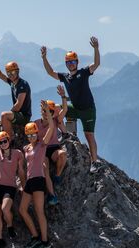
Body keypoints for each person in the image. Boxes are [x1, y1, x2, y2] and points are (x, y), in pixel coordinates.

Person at [41, 37, 103, 173]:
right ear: (66, 64)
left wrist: (96, 48)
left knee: (89, 136)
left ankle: (94, 162)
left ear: (77, 62)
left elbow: (96, 64)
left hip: (88, 110)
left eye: (73, 62)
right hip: (75, 108)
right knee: (56, 109)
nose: (71, 64)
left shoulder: (84, 72)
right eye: (68, 62)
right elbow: (50, 72)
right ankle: (67, 134)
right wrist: (44, 58)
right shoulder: (65, 77)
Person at [19, 101, 55, 248]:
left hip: (39, 180)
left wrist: (47, 112)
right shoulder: (26, 148)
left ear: (37, 133)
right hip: (29, 182)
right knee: (22, 210)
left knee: (39, 212)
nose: (32, 136)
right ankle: (35, 236)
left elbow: (52, 127)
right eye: (29, 135)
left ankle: (45, 241)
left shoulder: (42, 144)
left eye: (34, 133)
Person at [0, 129, 26, 248]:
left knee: (5, 208)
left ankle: (9, 226)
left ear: (9, 140)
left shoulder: (18, 153)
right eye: (0, 142)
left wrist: (23, 186)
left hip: (10, 187)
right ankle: (0, 239)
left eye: (5, 141)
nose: (3, 144)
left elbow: (21, 171)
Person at [35, 86, 68, 205]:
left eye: (50, 111)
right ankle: (52, 195)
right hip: (43, 150)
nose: (46, 113)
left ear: (53, 113)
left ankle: (57, 176)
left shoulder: (55, 121)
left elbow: (64, 110)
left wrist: (63, 96)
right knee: (44, 168)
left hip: (54, 148)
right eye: (44, 110)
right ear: (41, 111)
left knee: (63, 154)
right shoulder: (35, 124)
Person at [0, 53, 32, 139]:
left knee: (4, 115)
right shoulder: (12, 83)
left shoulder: (22, 84)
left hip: (24, 116)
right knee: (3, 117)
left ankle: (10, 140)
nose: (10, 75)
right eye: (8, 73)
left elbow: (18, 105)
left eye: (12, 72)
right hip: (18, 115)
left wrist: (8, 114)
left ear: (17, 72)